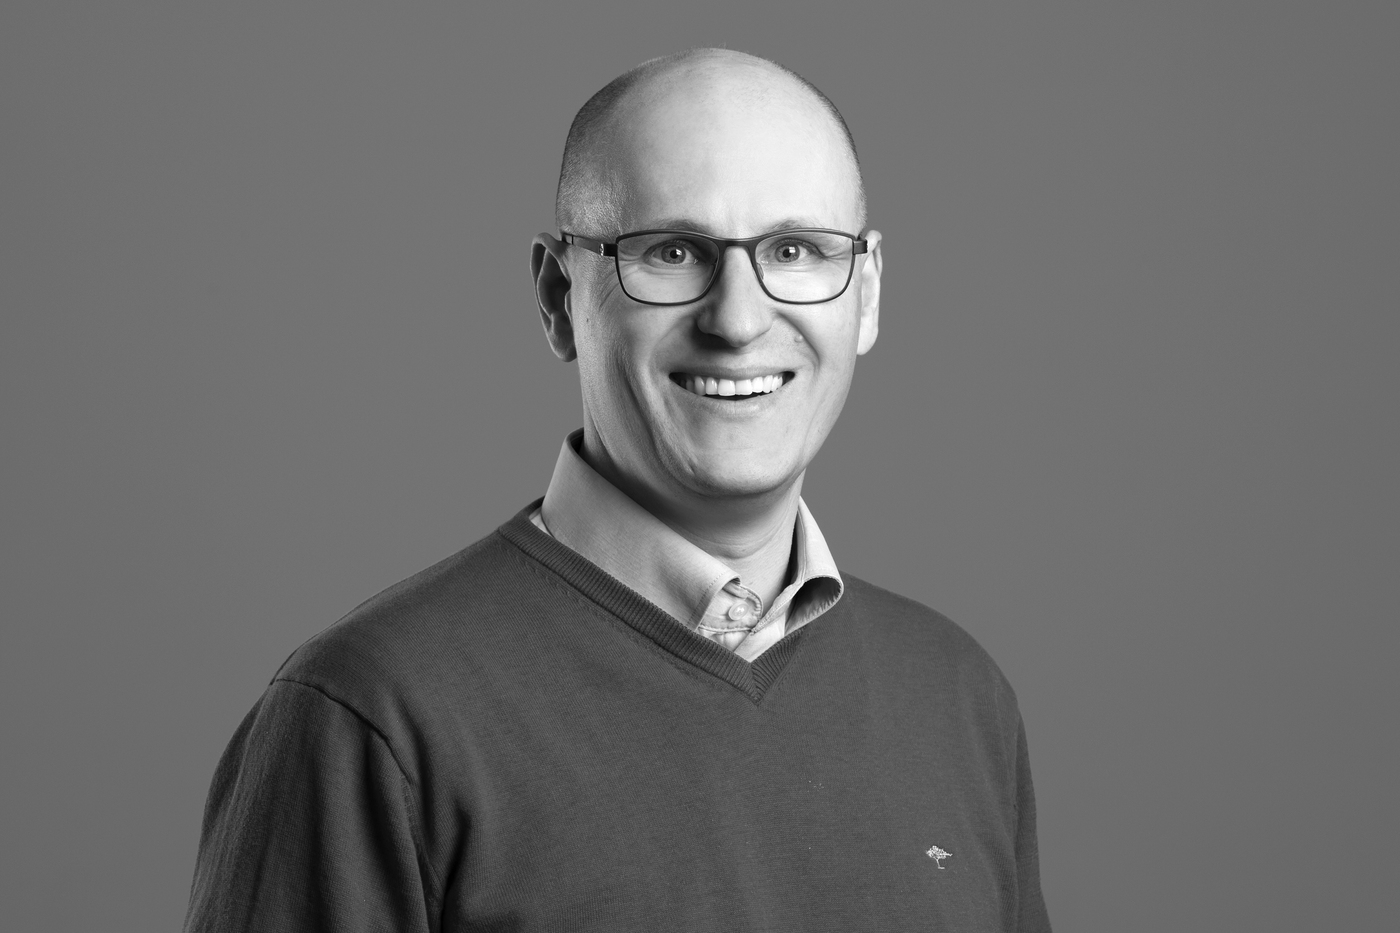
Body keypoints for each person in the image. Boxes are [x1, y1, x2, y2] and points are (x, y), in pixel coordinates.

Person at [184, 48, 1051, 932]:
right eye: (672, 252)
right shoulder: (372, 717)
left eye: (795, 250)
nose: (738, 319)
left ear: (865, 294)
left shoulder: (958, 698)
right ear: (559, 295)